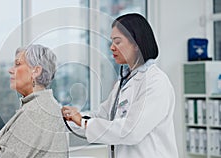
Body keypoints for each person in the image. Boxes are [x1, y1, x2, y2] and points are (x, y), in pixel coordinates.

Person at [62, 13, 179, 158]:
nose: (111, 47)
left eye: (117, 42)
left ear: (136, 44)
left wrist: (84, 123)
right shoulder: (124, 82)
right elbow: (102, 116)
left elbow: (132, 131)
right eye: (112, 42)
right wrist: (70, 120)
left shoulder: (156, 81)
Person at [0, 44, 68, 158]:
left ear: (36, 71)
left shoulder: (36, 112)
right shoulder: (44, 105)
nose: (10, 70)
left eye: (17, 64)